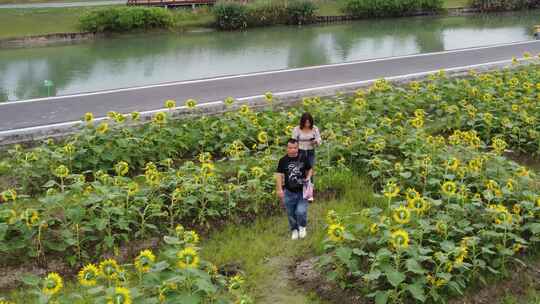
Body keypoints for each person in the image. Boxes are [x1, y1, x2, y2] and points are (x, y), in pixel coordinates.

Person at [276, 138, 313, 240]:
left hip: (302, 191)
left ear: (298, 148)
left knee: (301, 212)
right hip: (288, 192)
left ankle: (302, 227)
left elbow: (309, 169)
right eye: (290, 148)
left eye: (295, 148)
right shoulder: (283, 161)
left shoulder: (303, 157)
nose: (293, 150)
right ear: (286, 148)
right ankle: (294, 230)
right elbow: (279, 175)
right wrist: (279, 189)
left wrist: (309, 177)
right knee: (291, 213)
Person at [292, 112, 321, 201]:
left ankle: (309, 194)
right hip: (300, 152)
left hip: (310, 151)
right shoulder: (297, 129)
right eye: (305, 122)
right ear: (302, 122)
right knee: (300, 171)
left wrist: (315, 142)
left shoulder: (314, 128)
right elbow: (293, 140)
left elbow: (319, 139)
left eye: (309, 123)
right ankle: (300, 191)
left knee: (310, 171)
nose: (307, 124)